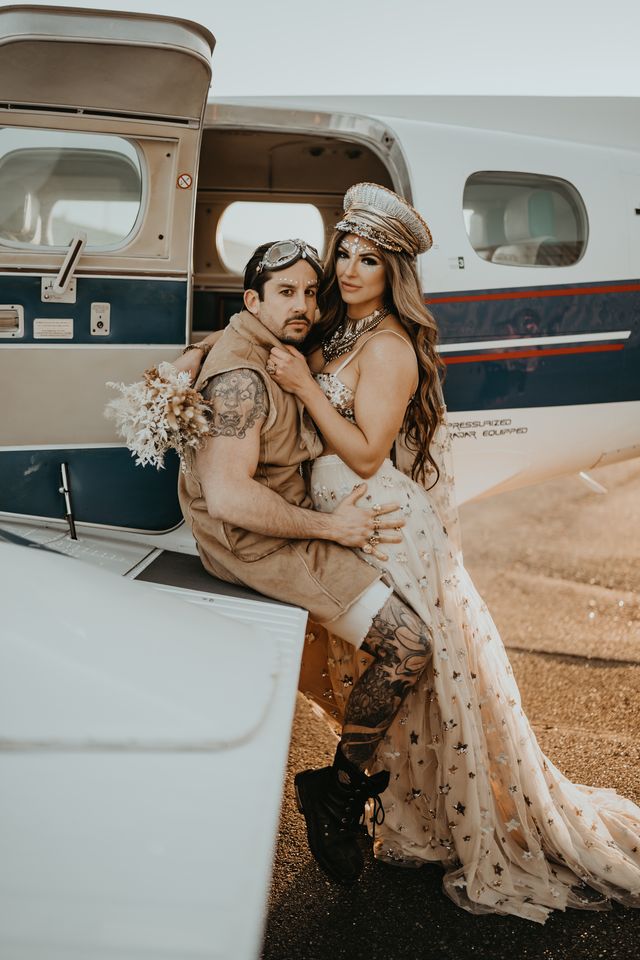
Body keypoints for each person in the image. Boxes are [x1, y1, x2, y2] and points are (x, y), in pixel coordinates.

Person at [247, 183, 640, 923]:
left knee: (411, 660)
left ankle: (341, 787)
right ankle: (402, 809)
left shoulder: (390, 344)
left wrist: (302, 388)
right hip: (341, 519)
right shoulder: (336, 329)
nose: (351, 267)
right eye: (345, 251)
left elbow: (366, 454)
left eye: (370, 258)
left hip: (384, 521)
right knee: (376, 665)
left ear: (394, 272)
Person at [176, 238, 444, 887]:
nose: (302, 306)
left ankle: (349, 779)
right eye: (284, 293)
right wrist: (335, 527)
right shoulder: (239, 378)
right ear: (252, 300)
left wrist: (193, 352)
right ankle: (338, 791)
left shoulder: (265, 342)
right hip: (265, 543)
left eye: (306, 291)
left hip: (291, 522)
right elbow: (231, 497)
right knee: (409, 645)